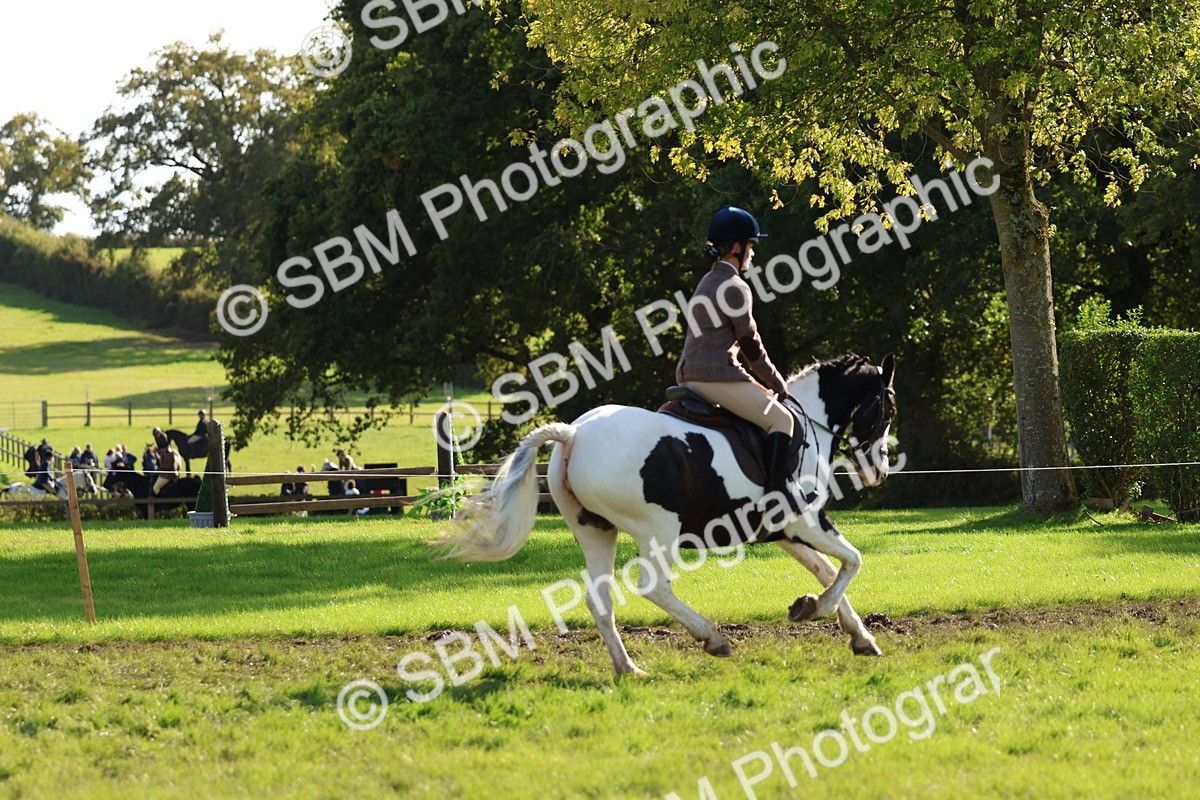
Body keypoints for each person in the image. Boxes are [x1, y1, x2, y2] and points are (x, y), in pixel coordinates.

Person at [675, 206, 803, 514]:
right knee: (781, 419)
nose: (753, 254)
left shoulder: (706, 281)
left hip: (687, 376)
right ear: (736, 247)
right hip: (715, 377)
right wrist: (774, 381)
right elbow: (750, 344)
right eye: (751, 246)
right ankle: (775, 500)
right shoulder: (735, 286)